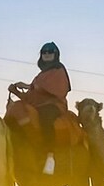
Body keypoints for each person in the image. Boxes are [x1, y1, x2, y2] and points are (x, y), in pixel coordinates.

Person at [8, 42, 71, 175]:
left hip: (54, 106)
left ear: (56, 54)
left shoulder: (59, 70)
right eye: (44, 52)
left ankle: (49, 154)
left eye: (50, 51)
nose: (47, 54)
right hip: (38, 106)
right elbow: (32, 97)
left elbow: (58, 90)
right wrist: (16, 92)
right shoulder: (40, 75)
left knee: (45, 119)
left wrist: (29, 86)